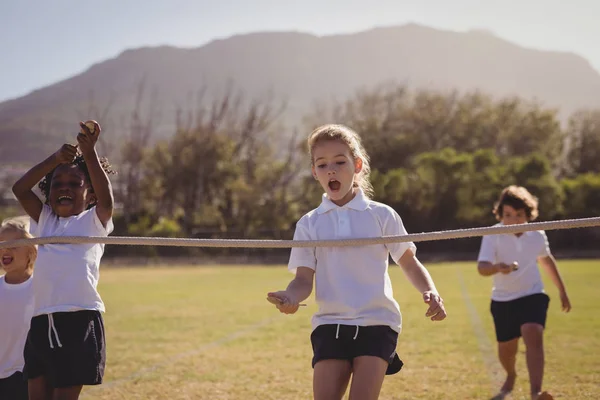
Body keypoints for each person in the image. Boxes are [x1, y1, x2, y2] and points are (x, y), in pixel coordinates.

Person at [267, 124, 447, 400]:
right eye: (322, 164)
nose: (331, 170)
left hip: (377, 323)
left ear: (358, 165)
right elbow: (303, 280)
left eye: (340, 162)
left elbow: (409, 263)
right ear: (314, 172)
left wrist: (430, 290)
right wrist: (289, 296)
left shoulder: (382, 215)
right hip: (330, 324)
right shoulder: (309, 224)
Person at [12, 121, 116, 400]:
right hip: (40, 320)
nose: (63, 188)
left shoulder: (93, 221)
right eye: (56, 184)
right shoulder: (46, 220)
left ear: (90, 193)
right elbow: (20, 189)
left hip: (77, 320)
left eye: (74, 183)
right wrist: (55, 159)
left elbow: (107, 201)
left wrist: (89, 151)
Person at [477, 185, 571, 400]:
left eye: (519, 215)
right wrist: (497, 267)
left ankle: (535, 392)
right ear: (500, 214)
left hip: (533, 295)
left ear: (529, 215)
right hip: (503, 300)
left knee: (533, 333)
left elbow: (546, 261)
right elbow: (482, 268)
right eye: (508, 215)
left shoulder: (537, 234)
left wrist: (562, 290)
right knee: (506, 350)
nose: (513, 220)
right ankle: (511, 374)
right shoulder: (493, 235)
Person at [0, 217, 37, 400]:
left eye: (13, 246)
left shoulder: (40, 288)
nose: (5, 250)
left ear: (30, 252)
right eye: (1, 245)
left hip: (26, 375)